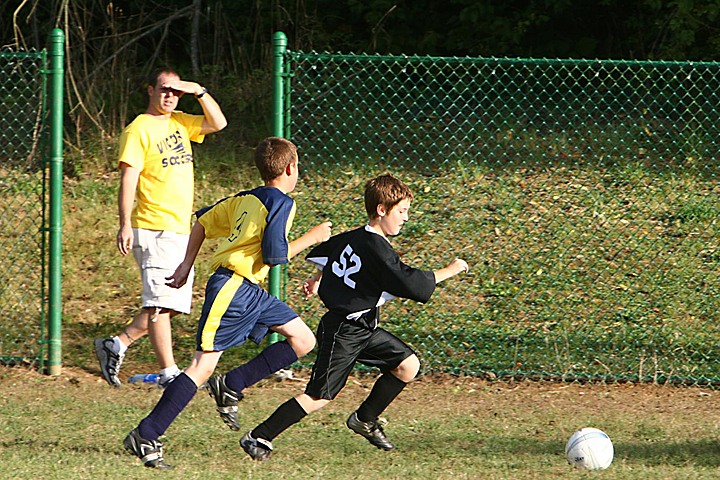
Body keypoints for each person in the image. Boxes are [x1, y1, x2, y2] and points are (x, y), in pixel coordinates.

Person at [123, 136, 332, 469]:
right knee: (201, 367)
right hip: (233, 289)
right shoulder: (280, 202)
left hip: (249, 289)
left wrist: (186, 264)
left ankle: (231, 384)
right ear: (291, 168)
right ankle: (146, 434)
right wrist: (314, 238)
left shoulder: (245, 198)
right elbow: (275, 256)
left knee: (304, 339)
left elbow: (203, 222)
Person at [238, 173, 469, 461]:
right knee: (320, 395)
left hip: (363, 326)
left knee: (408, 365)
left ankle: (364, 419)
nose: (406, 218)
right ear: (382, 210)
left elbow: (330, 253)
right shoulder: (379, 249)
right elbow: (409, 281)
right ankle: (258, 436)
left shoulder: (356, 237)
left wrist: (316, 277)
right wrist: (451, 269)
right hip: (343, 331)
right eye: (402, 211)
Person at [94, 68, 227, 388]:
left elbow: (218, 123)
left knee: (173, 304)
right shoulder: (138, 129)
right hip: (152, 227)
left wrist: (199, 91)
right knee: (159, 304)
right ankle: (169, 373)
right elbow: (128, 179)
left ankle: (118, 343)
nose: (169, 96)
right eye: (164, 90)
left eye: (175, 92)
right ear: (151, 90)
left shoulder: (181, 121)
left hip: (180, 228)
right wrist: (124, 224)